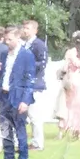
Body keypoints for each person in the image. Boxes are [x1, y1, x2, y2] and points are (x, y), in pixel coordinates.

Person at [0, 27, 36, 159]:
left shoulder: (27, 55)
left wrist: (25, 100)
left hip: (18, 97)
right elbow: (2, 75)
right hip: (4, 96)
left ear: (18, 38)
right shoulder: (3, 55)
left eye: (10, 39)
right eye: (6, 39)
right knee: (5, 129)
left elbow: (30, 79)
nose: (7, 42)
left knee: (20, 129)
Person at [22, 18, 52, 149]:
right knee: (23, 115)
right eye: (24, 28)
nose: (24, 30)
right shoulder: (23, 45)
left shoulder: (39, 44)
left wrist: (28, 66)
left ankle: (38, 142)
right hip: (23, 83)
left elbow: (42, 63)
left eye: (27, 28)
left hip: (35, 84)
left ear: (35, 30)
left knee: (34, 115)